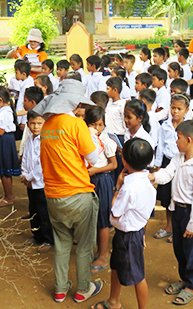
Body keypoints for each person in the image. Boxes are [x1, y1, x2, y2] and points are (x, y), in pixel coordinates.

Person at [32, 79, 103, 303]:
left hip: (53, 195)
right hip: (78, 194)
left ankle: (60, 289)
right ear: (74, 103)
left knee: (61, 244)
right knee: (83, 246)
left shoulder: (46, 126)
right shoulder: (76, 125)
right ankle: (83, 289)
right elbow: (94, 158)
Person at [150, 120, 193, 305]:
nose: (176, 141)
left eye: (178, 138)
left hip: (191, 214)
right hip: (178, 211)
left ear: (189, 140)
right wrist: (152, 176)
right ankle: (184, 279)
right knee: (179, 248)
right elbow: (167, 174)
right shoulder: (178, 157)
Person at [91, 138, 156, 309]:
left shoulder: (128, 187)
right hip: (133, 233)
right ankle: (113, 301)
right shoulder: (148, 182)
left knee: (138, 276)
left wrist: (117, 187)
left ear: (124, 161)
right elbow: (145, 212)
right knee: (116, 267)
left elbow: (114, 211)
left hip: (128, 237)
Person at [84, 106, 118, 274]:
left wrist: (96, 170)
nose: (96, 128)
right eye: (93, 124)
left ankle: (103, 257)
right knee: (94, 218)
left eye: (100, 124)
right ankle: (99, 251)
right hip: (90, 179)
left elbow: (114, 164)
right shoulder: (85, 138)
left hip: (102, 179)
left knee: (103, 219)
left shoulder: (105, 140)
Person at [153, 94, 191, 243]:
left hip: (183, 162)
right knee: (168, 195)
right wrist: (158, 163)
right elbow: (161, 145)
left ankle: (179, 228)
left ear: (186, 110)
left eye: (179, 109)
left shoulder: (189, 127)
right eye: (173, 108)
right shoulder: (165, 126)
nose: (175, 111)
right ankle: (169, 226)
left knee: (180, 195)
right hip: (168, 162)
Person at [19, 110, 54, 252]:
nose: (36, 126)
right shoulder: (29, 140)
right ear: (27, 124)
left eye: (39, 123)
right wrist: (24, 174)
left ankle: (48, 239)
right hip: (30, 183)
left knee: (44, 211)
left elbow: (43, 163)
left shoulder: (46, 140)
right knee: (33, 209)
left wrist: (29, 176)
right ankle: (36, 235)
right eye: (32, 123)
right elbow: (26, 158)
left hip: (42, 183)